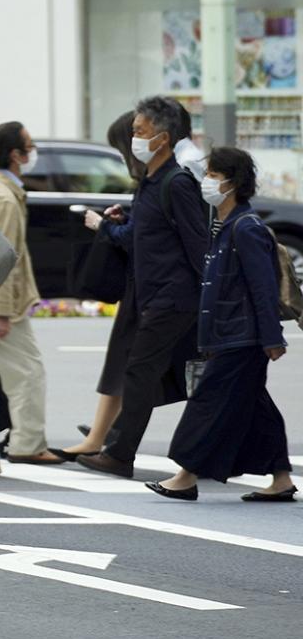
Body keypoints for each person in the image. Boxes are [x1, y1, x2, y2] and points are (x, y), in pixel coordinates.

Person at [146, 147, 295, 502]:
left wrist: (272, 338)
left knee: (208, 402)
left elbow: (263, 289)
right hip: (228, 333)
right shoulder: (223, 225)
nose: (206, 181)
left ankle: (185, 475)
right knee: (256, 406)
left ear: (233, 183)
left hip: (242, 336)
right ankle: (281, 478)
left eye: (213, 174)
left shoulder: (246, 228)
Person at [78, 96, 209, 480]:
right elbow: (141, 234)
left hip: (175, 297)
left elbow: (198, 244)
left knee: (140, 372)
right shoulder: (151, 184)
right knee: (160, 375)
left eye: (139, 131)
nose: (133, 138)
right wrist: (117, 222)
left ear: (162, 138)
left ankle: (119, 453)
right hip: (156, 297)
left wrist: (208, 298)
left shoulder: (177, 182)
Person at [0, 123, 62, 465]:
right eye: (29, 147)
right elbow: (4, 261)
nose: (33, 153)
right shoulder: (4, 196)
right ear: (15, 155)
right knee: (28, 373)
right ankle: (27, 444)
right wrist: (2, 312)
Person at [50, 111, 141, 460]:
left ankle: (107, 442)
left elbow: (145, 238)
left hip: (157, 292)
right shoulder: (157, 181)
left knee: (139, 369)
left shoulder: (165, 181)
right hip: (148, 289)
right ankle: (103, 436)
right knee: (130, 366)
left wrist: (103, 226)